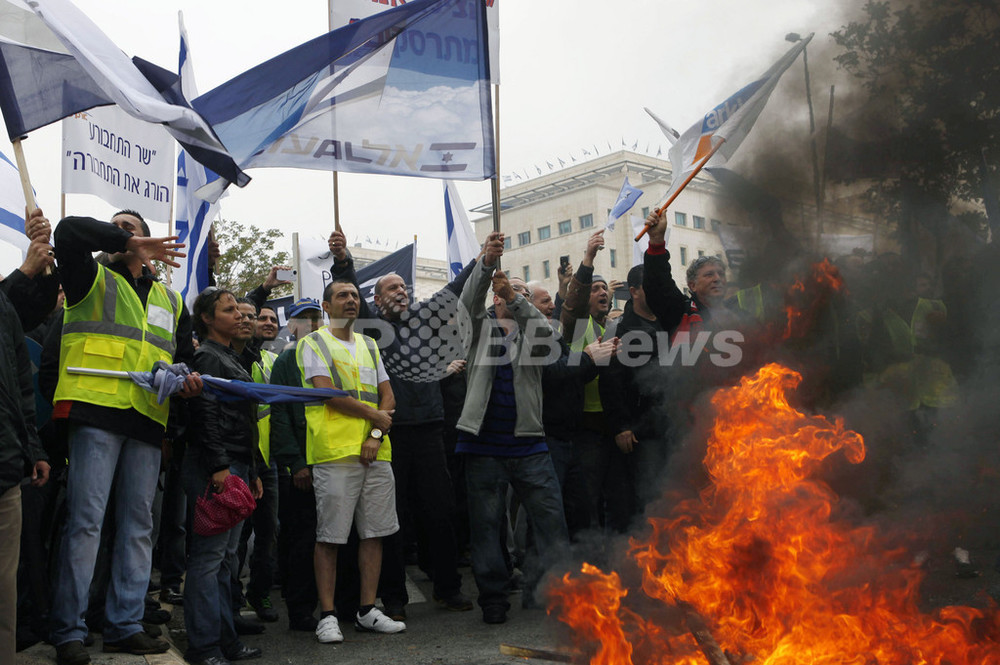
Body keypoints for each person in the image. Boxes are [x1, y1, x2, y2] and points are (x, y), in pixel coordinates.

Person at [49, 211, 201, 665]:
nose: (124, 232)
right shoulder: (87, 276)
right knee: (86, 523)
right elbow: (68, 231)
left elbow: (187, 359)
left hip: (146, 421)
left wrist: (186, 379)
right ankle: (69, 632)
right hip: (94, 412)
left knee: (139, 528)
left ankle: (125, 625)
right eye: (117, 228)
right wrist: (125, 240)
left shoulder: (171, 301)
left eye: (132, 227)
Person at [329, 229, 473, 619]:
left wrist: (484, 260)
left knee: (439, 513)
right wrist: (343, 260)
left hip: (429, 432)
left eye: (404, 288)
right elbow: (352, 286)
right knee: (392, 519)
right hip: (390, 436)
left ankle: (447, 587)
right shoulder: (375, 330)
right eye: (392, 288)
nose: (401, 292)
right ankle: (394, 597)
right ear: (377, 302)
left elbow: (456, 289)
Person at [456, 231, 570, 624]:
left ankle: (555, 592)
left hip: (529, 446)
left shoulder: (534, 336)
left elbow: (548, 333)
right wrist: (487, 264)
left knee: (552, 522)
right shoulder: (476, 330)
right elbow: (466, 302)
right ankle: (493, 597)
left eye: (520, 290)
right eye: (506, 289)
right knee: (487, 527)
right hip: (483, 447)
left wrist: (518, 298)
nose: (512, 293)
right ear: (494, 295)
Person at [298, 280, 405, 644]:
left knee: (374, 533)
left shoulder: (370, 345)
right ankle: (327, 615)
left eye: (355, 296)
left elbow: (388, 395)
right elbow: (327, 392)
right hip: (335, 452)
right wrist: (375, 418)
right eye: (342, 296)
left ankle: (366, 610)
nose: (351, 301)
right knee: (330, 536)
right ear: (326, 306)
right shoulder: (312, 343)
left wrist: (375, 435)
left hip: (376, 453)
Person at [183, 288, 264, 665]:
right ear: (207, 319)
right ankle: (204, 647)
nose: (239, 315)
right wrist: (219, 467)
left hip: (237, 465)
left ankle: (226, 642)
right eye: (228, 310)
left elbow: (243, 421)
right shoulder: (206, 357)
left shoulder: (231, 357)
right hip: (217, 467)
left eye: (239, 309)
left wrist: (253, 470)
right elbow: (205, 417)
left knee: (228, 559)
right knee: (209, 558)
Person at [0, 210, 53, 664]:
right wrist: (25, 271)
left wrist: (32, 448)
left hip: (8, 463)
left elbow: (20, 385)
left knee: (6, 584)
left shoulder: (6, 307)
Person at [270, 298, 327, 632]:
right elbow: (280, 414)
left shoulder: (331, 356)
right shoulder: (287, 359)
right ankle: (301, 609)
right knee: (302, 540)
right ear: (291, 326)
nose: (311, 324)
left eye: (316, 317)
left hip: (333, 461)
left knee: (332, 538)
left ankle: (339, 605)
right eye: (304, 319)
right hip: (305, 466)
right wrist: (296, 463)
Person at [599, 264, 669, 521]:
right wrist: (621, 426)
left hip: (671, 425)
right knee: (647, 496)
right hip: (640, 432)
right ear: (634, 291)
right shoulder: (620, 330)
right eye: (652, 287)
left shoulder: (669, 322)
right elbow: (610, 381)